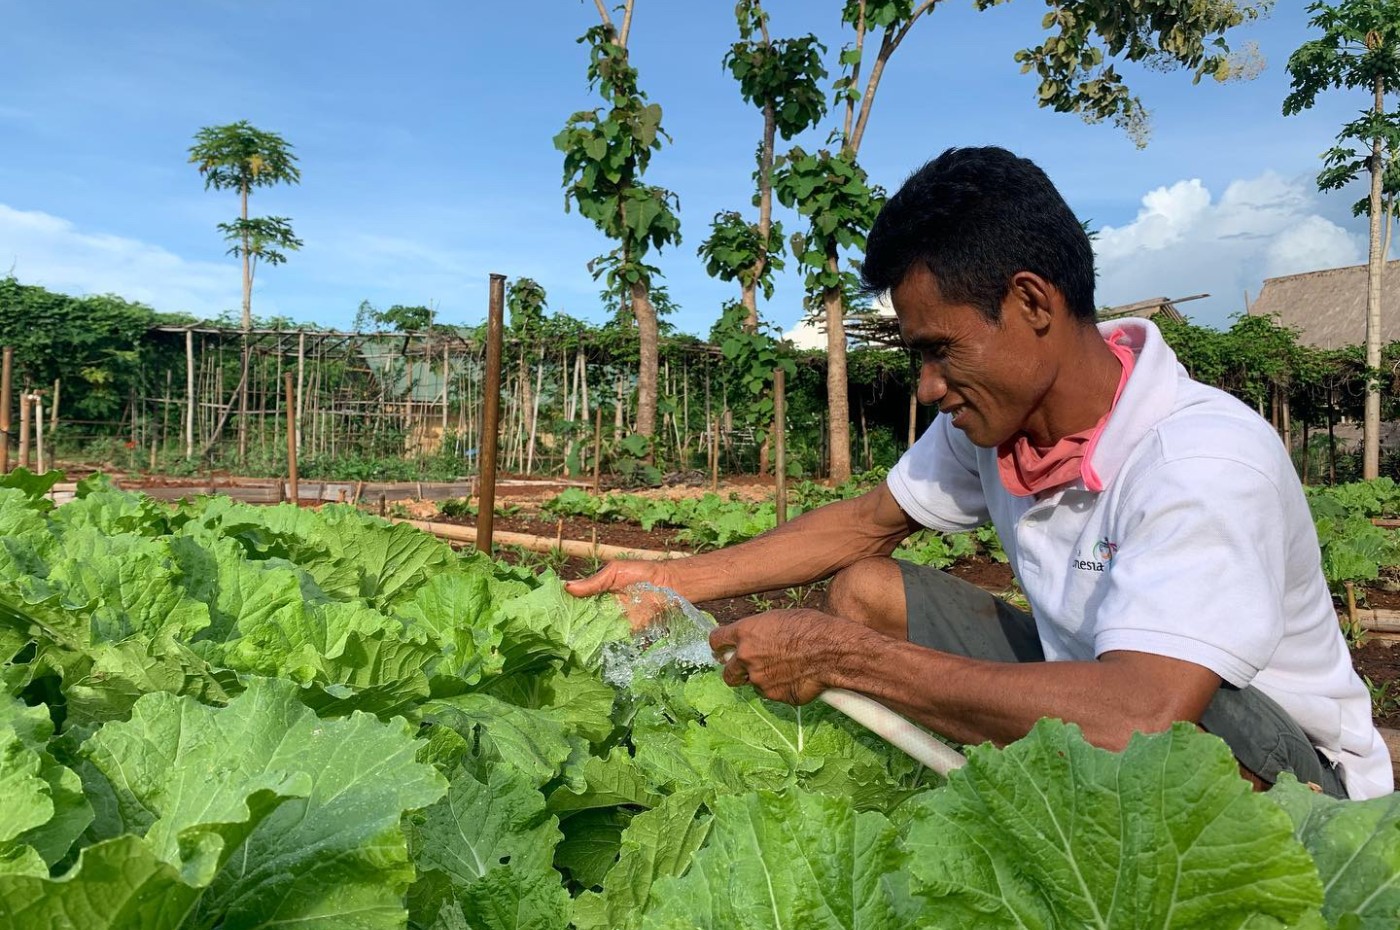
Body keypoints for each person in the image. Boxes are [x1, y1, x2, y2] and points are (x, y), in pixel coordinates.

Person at [566, 146, 1393, 800]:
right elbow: (865, 523)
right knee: (865, 591)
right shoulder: (998, 421)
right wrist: (672, 576)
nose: (927, 386)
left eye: (938, 349)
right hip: (1103, 685)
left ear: (1033, 303)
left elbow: (1144, 718)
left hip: (1289, 774)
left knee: (1168, 722)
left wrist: (845, 659)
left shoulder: (1201, 459)